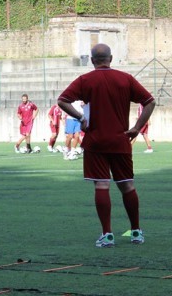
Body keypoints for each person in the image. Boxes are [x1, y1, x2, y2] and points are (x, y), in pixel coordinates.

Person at [58, 43, 155, 248]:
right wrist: (137, 127)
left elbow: (63, 100)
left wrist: (79, 117)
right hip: (121, 140)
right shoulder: (125, 78)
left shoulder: (85, 80)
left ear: (92, 61)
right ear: (111, 59)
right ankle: (136, 231)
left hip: (95, 141)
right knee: (127, 185)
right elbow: (150, 101)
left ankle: (107, 234)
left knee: (102, 185)